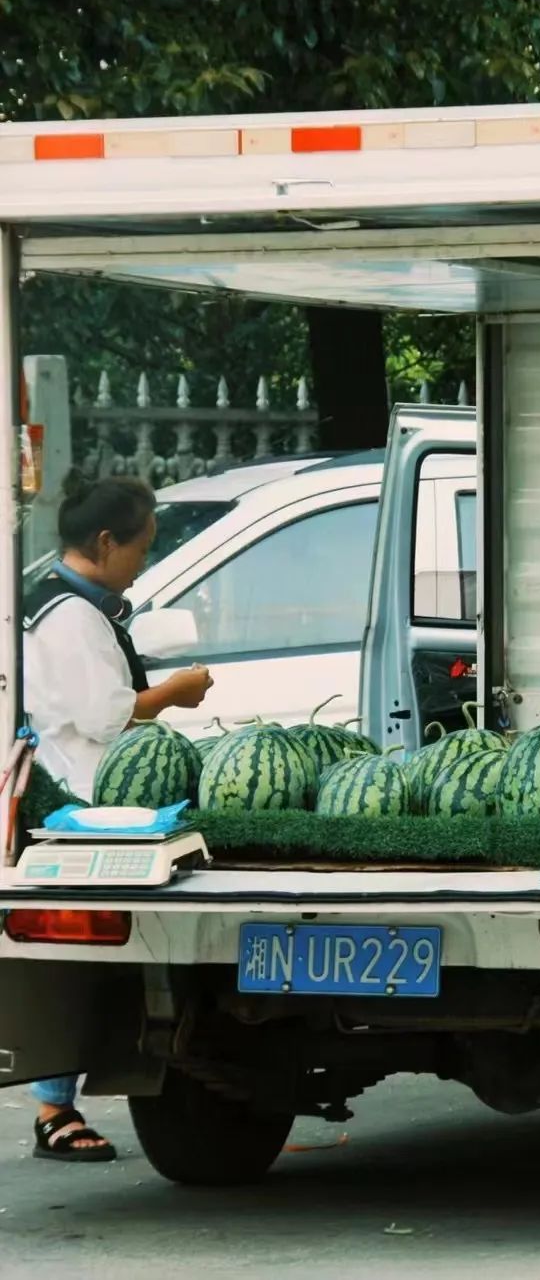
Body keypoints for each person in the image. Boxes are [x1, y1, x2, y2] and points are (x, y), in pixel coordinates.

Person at [22, 471, 214, 1163]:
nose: (145, 560)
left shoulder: (63, 601)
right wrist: (174, 691)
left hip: (82, 794)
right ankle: (53, 1109)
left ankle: (59, 1101)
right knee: (79, 959)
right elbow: (106, 713)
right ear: (105, 542)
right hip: (78, 802)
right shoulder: (71, 616)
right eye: (142, 547)